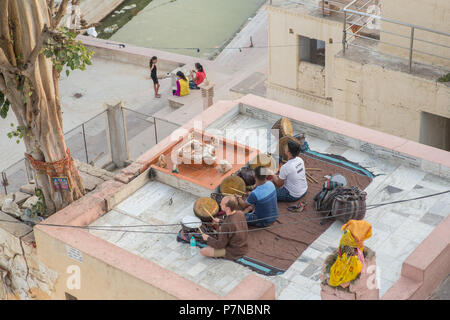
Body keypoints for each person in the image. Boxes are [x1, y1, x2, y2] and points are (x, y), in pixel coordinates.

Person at [200, 196, 248, 261]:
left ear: (227, 208)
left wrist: (207, 238)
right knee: (220, 230)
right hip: (243, 246)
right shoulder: (240, 213)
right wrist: (220, 221)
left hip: (233, 251)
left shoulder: (226, 226)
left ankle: (222, 255)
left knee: (203, 251)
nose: (220, 204)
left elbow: (220, 245)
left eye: (222, 204)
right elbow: (233, 224)